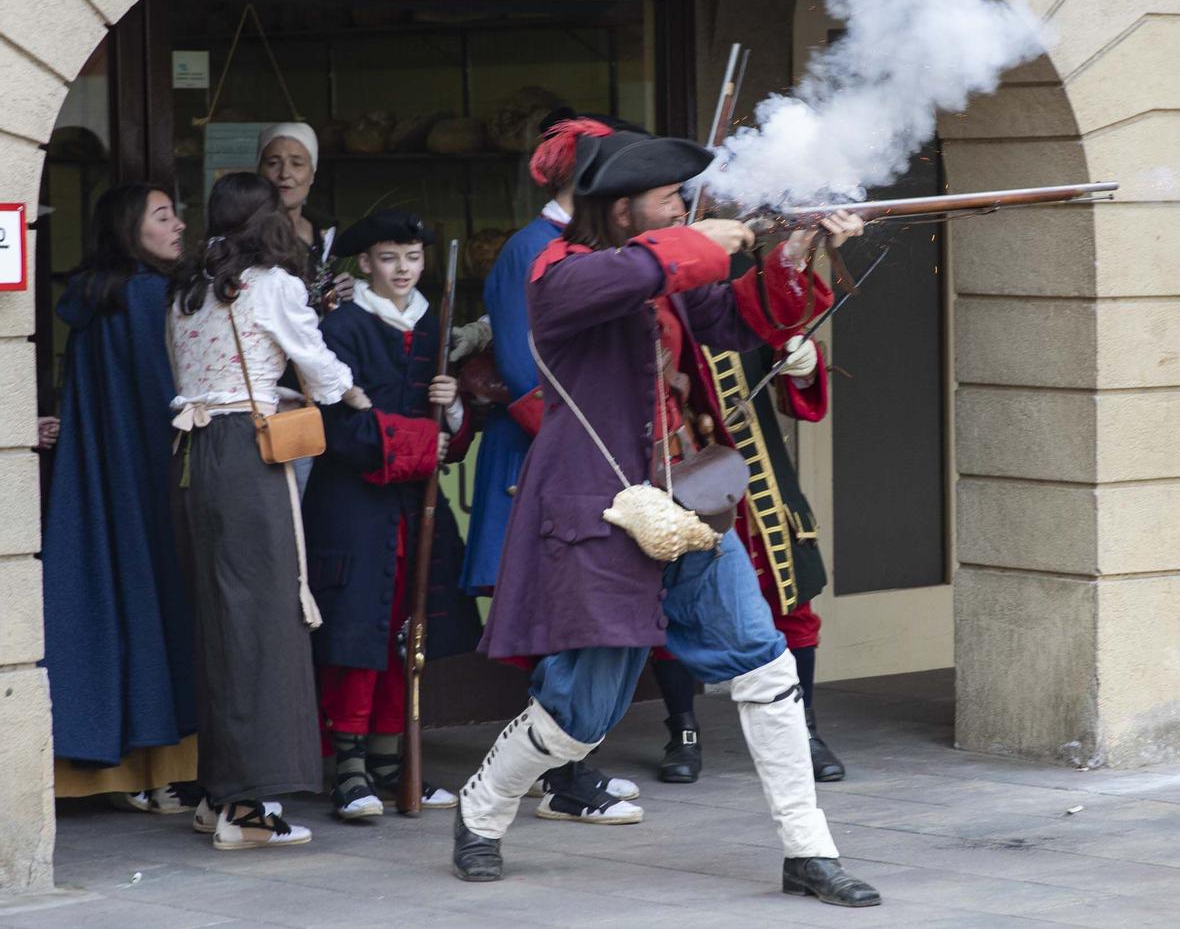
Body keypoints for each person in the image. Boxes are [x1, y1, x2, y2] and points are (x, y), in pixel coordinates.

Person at [450, 122, 880, 908]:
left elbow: (741, 320)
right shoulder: (558, 272)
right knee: (580, 716)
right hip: (601, 518)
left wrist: (791, 251)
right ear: (620, 212)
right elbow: (624, 278)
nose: (682, 205)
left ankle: (808, 848)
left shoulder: (664, 267)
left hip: (686, 505)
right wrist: (707, 239)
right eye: (667, 197)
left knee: (767, 664)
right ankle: (482, 808)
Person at [168, 173, 370, 850]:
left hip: (193, 451)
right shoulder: (272, 284)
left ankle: (219, 791)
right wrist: (351, 392)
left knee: (220, 620)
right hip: (249, 451)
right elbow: (319, 369)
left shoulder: (186, 290)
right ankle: (248, 807)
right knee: (265, 617)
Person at [459, 109, 646, 822]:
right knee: (563, 622)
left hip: (583, 455)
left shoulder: (580, 244)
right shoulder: (528, 249)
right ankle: (565, 781)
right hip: (547, 454)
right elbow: (522, 372)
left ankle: (568, 766)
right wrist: (596, 451)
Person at [305, 211, 486, 821]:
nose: (403, 269)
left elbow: (451, 436)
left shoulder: (433, 322)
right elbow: (336, 427)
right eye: (389, 258)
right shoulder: (342, 327)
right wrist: (418, 440)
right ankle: (350, 769)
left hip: (413, 505)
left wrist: (452, 407)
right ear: (365, 265)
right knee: (356, 633)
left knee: (405, 633)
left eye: (412, 257)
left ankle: (389, 761)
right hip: (353, 506)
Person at [41, 185, 199, 812]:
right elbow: (169, 398)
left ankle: (120, 767)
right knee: (158, 602)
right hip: (148, 477)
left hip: (99, 477)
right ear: (131, 229)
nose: (179, 225)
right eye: (163, 216)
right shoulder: (147, 297)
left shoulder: (94, 297)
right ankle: (161, 770)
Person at [654, 339, 844, 787]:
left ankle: (804, 730)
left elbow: (788, 343)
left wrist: (804, 362)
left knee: (789, 604)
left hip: (758, 477)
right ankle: (682, 732)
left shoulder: (743, 281)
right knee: (673, 607)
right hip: (684, 475)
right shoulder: (655, 295)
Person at [257, 122, 351, 311]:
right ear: (259, 171)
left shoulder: (326, 233)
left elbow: (328, 305)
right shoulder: (246, 234)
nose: (284, 174)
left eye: (297, 164)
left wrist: (344, 292)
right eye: (273, 163)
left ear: (312, 174)